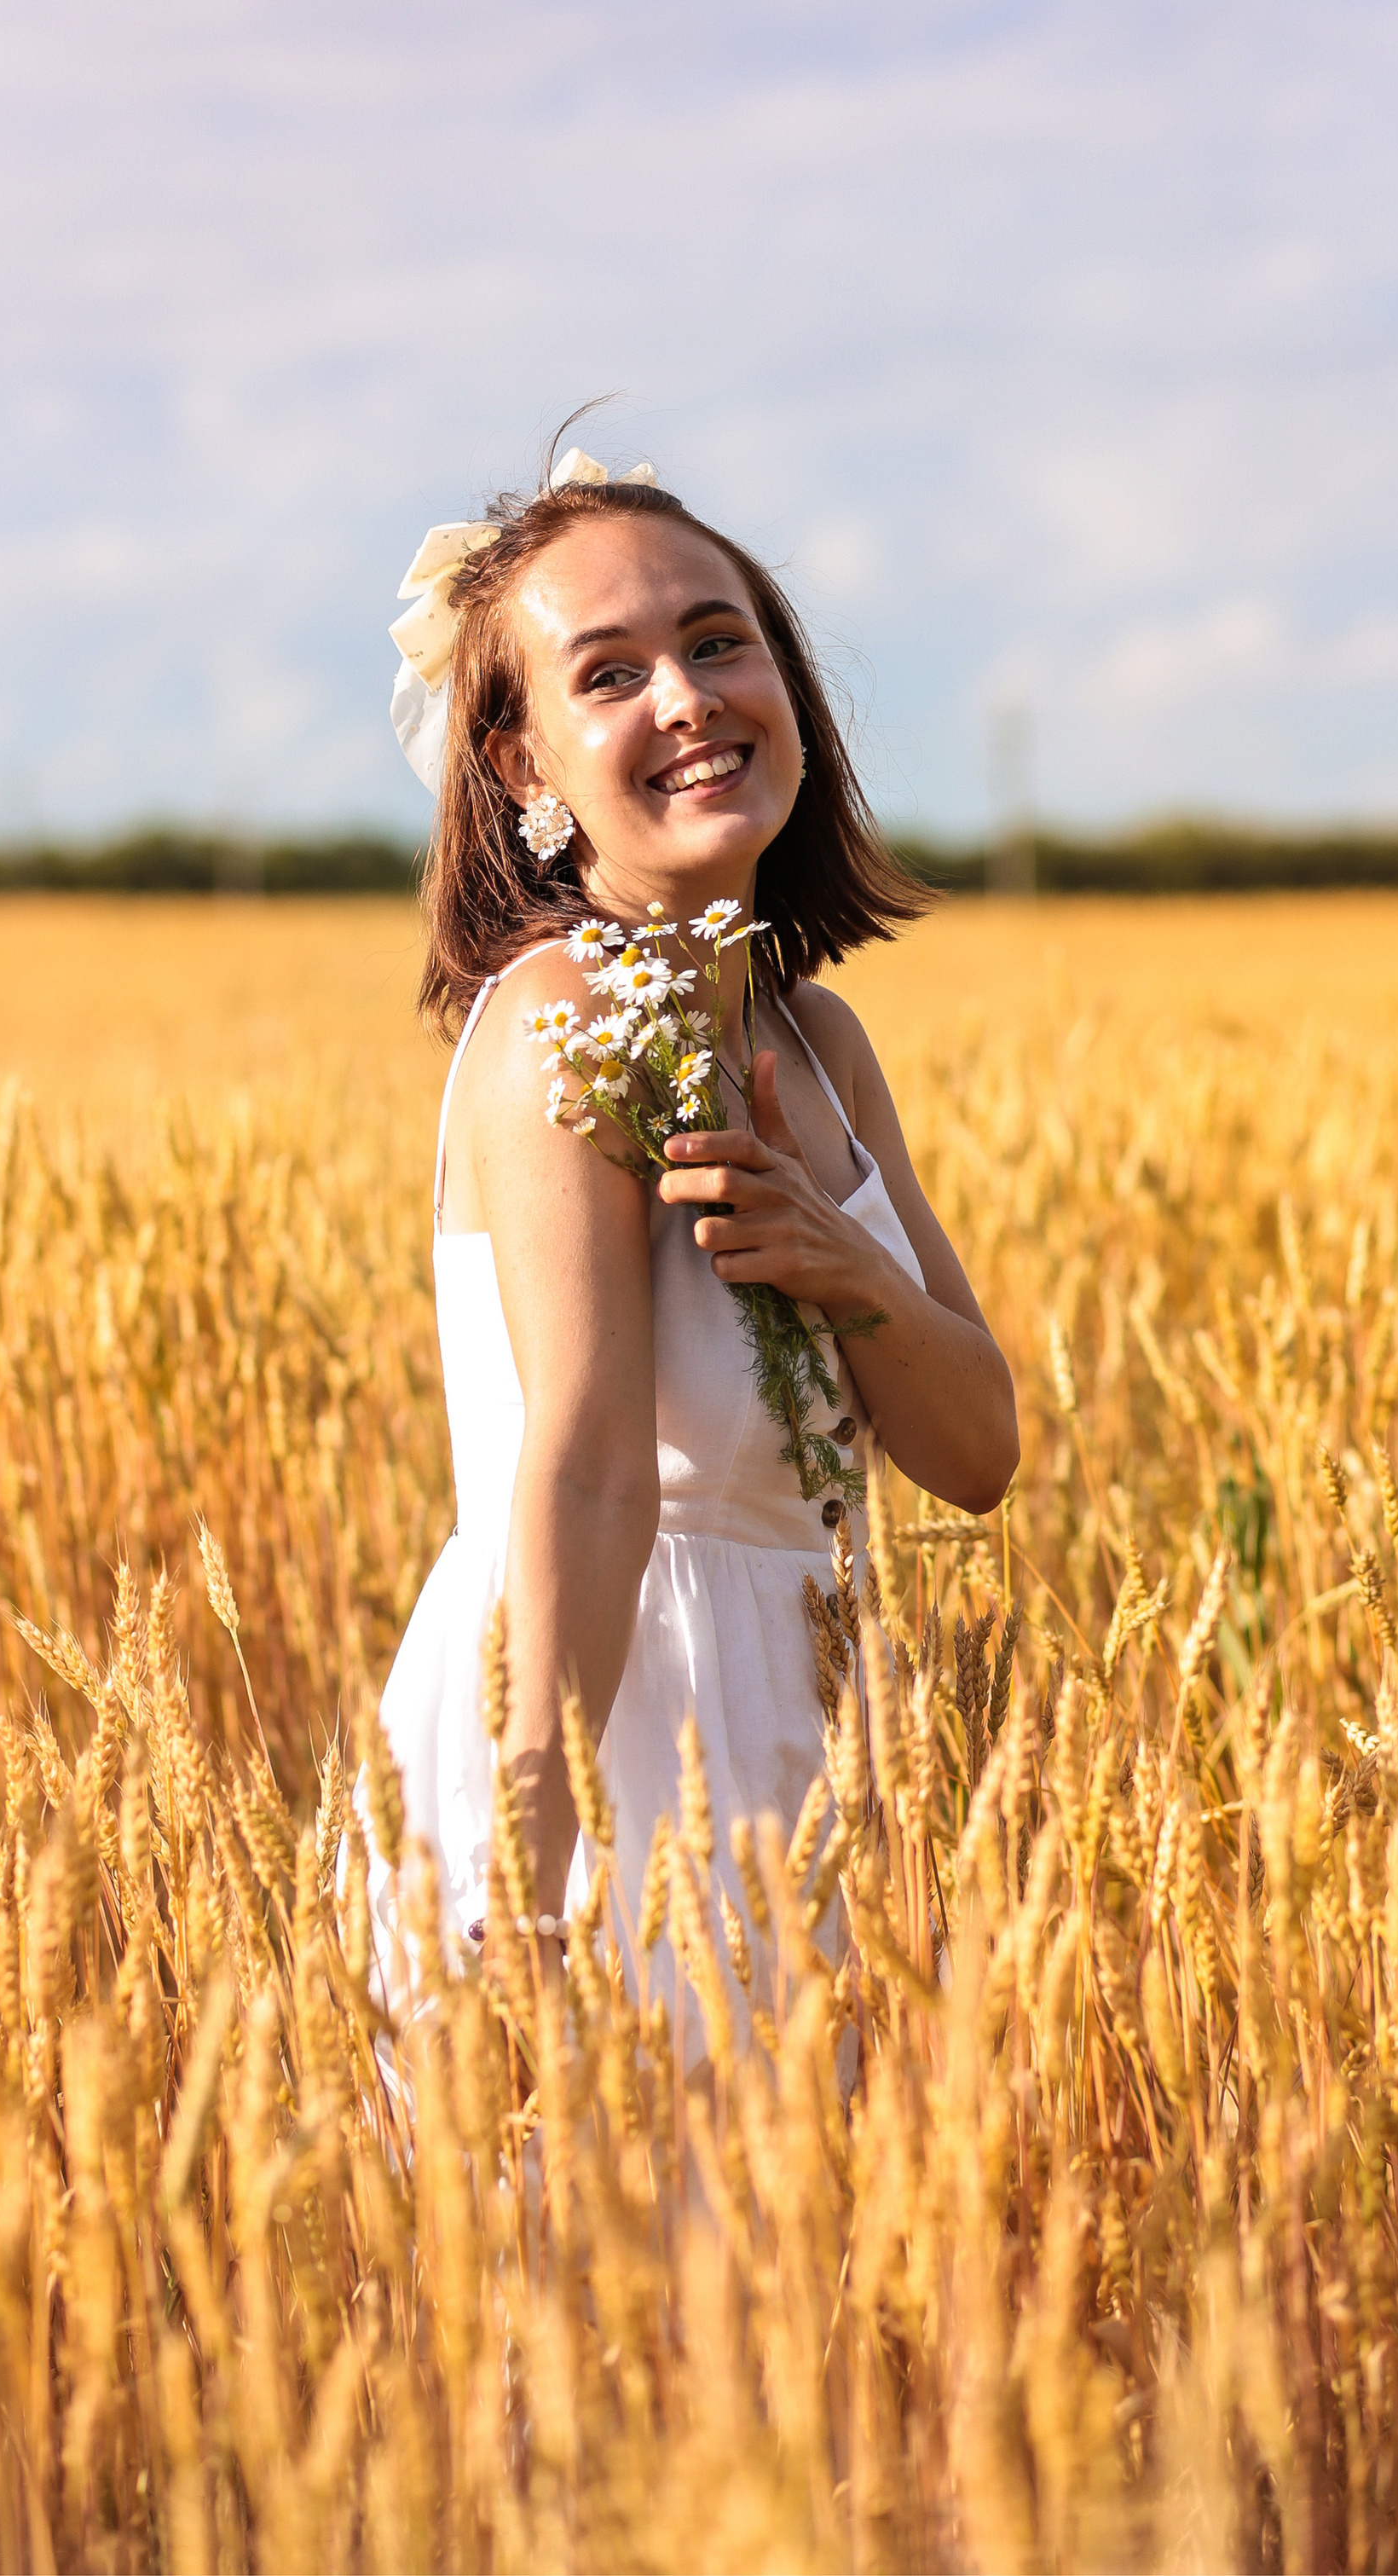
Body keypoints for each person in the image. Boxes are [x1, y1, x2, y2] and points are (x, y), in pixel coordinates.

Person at [371, 441, 1018, 2040]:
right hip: (607, 1743)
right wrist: (520, 1890)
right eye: (610, 672)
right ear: (524, 769)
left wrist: (843, 1265)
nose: (688, 695)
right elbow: (586, 1469)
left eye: (718, 639)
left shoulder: (823, 1041)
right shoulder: (562, 1019)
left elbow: (980, 1445)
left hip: (810, 1742)